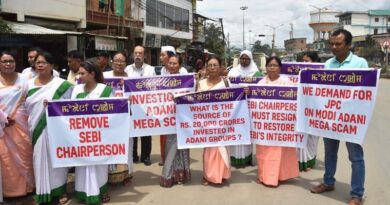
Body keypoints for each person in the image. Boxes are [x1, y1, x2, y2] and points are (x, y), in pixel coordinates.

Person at [310, 29, 368, 205]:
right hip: (331, 118)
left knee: (355, 156)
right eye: (332, 44)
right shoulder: (328, 64)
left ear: (349, 45)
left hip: (351, 119)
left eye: (338, 44)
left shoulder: (360, 64)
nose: (334, 47)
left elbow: (366, 92)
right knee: (330, 153)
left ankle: (357, 194)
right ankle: (328, 182)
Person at [25, 51, 73, 204]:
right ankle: (42, 192)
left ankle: (60, 191)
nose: (40, 65)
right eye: (38, 62)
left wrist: (54, 105)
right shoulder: (28, 84)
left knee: (57, 160)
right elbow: (23, 108)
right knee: (39, 160)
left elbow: (71, 108)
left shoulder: (62, 85)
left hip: (57, 130)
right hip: (36, 129)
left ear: (52, 65)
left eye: (44, 62)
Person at [254, 56, 299, 187]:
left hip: (280, 126)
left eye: (275, 65)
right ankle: (263, 175)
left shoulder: (287, 82)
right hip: (264, 126)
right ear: (266, 67)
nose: (272, 68)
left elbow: (294, 101)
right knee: (263, 152)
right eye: (270, 65)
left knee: (278, 152)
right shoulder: (261, 83)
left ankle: (279, 176)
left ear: (280, 68)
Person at [72, 61, 112, 204]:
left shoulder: (105, 90)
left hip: (99, 135)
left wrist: (126, 102)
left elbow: (114, 111)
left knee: (99, 164)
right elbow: (67, 110)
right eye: (79, 73)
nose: (79, 76)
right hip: (81, 136)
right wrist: (50, 105)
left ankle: (102, 190)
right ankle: (83, 191)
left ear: (92, 74)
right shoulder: (76, 90)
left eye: (82, 73)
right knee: (82, 164)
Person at [0, 51, 34, 198]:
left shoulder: (25, 79)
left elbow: (32, 99)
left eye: (11, 61)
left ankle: (28, 187)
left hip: (22, 124)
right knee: (5, 158)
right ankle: (9, 191)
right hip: (2, 126)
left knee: (25, 153)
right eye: (5, 61)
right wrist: (3, 117)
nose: (8, 64)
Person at [196, 56, 231, 186]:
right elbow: (195, 102)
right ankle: (208, 175)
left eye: (215, 65)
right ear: (206, 67)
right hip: (207, 123)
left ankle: (223, 174)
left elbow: (234, 101)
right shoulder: (201, 84)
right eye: (210, 65)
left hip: (223, 122)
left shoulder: (227, 83)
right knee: (209, 150)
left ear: (220, 67)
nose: (212, 68)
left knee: (223, 148)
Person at [103, 51, 133, 186]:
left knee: (127, 145)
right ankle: (109, 175)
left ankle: (127, 173)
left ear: (126, 63)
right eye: (116, 60)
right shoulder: (104, 77)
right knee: (110, 146)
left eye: (122, 61)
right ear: (111, 62)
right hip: (109, 119)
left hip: (126, 118)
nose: (119, 63)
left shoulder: (131, 77)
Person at [160, 55, 191, 187]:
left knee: (182, 146)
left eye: (175, 63)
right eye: (170, 63)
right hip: (168, 117)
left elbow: (190, 96)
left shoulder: (186, 80)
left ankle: (181, 174)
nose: (172, 65)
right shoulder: (161, 80)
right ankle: (168, 175)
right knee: (171, 146)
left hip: (182, 116)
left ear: (180, 65)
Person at [228, 50, 262, 167]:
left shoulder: (257, 74)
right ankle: (234, 159)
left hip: (249, 108)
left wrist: (252, 91)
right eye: (242, 58)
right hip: (236, 108)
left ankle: (247, 159)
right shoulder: (233, 71)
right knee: (236, 131)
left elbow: (262, 91)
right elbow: (228, 88)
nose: (244, 60)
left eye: (247, 58)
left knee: (247, 131)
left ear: (251, 59)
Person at [126, 46, 155, 166]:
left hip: (145, 105)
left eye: (140, 53)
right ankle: (133, 155)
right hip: (131, 105)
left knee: (146, 131)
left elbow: (153, 87)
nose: (138, 55)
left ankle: (146, 156)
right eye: (136, 53)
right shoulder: (127, 69)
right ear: (133, 55)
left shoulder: (150, 69)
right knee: (132, 131)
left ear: (144, 56)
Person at [297, 51, 320, 172]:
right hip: (301, 110)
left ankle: (309, 161)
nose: (304, 63)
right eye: (303, 61)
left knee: (312, 137)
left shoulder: (323, 74)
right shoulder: (299, 73)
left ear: (315, 62)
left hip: (316, 111)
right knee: (301, 135)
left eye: (307, 61)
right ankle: (299, 162)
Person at [158, 46, 178, 166]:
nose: (161, 58)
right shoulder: (162, 71)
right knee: (163, 135)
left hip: (177, 111)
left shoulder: (183, 72)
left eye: (163, 55)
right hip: (165, 110)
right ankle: (165, 158)